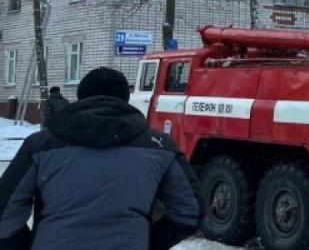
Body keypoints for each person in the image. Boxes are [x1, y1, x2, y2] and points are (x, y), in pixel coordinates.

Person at [0, 67, 204, 250]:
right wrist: (149, 240)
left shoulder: (41, 145)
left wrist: (24, 244)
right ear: (126, 98)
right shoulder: (159, 146)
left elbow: (5, 209)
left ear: (81, 97)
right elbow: (190, 211)